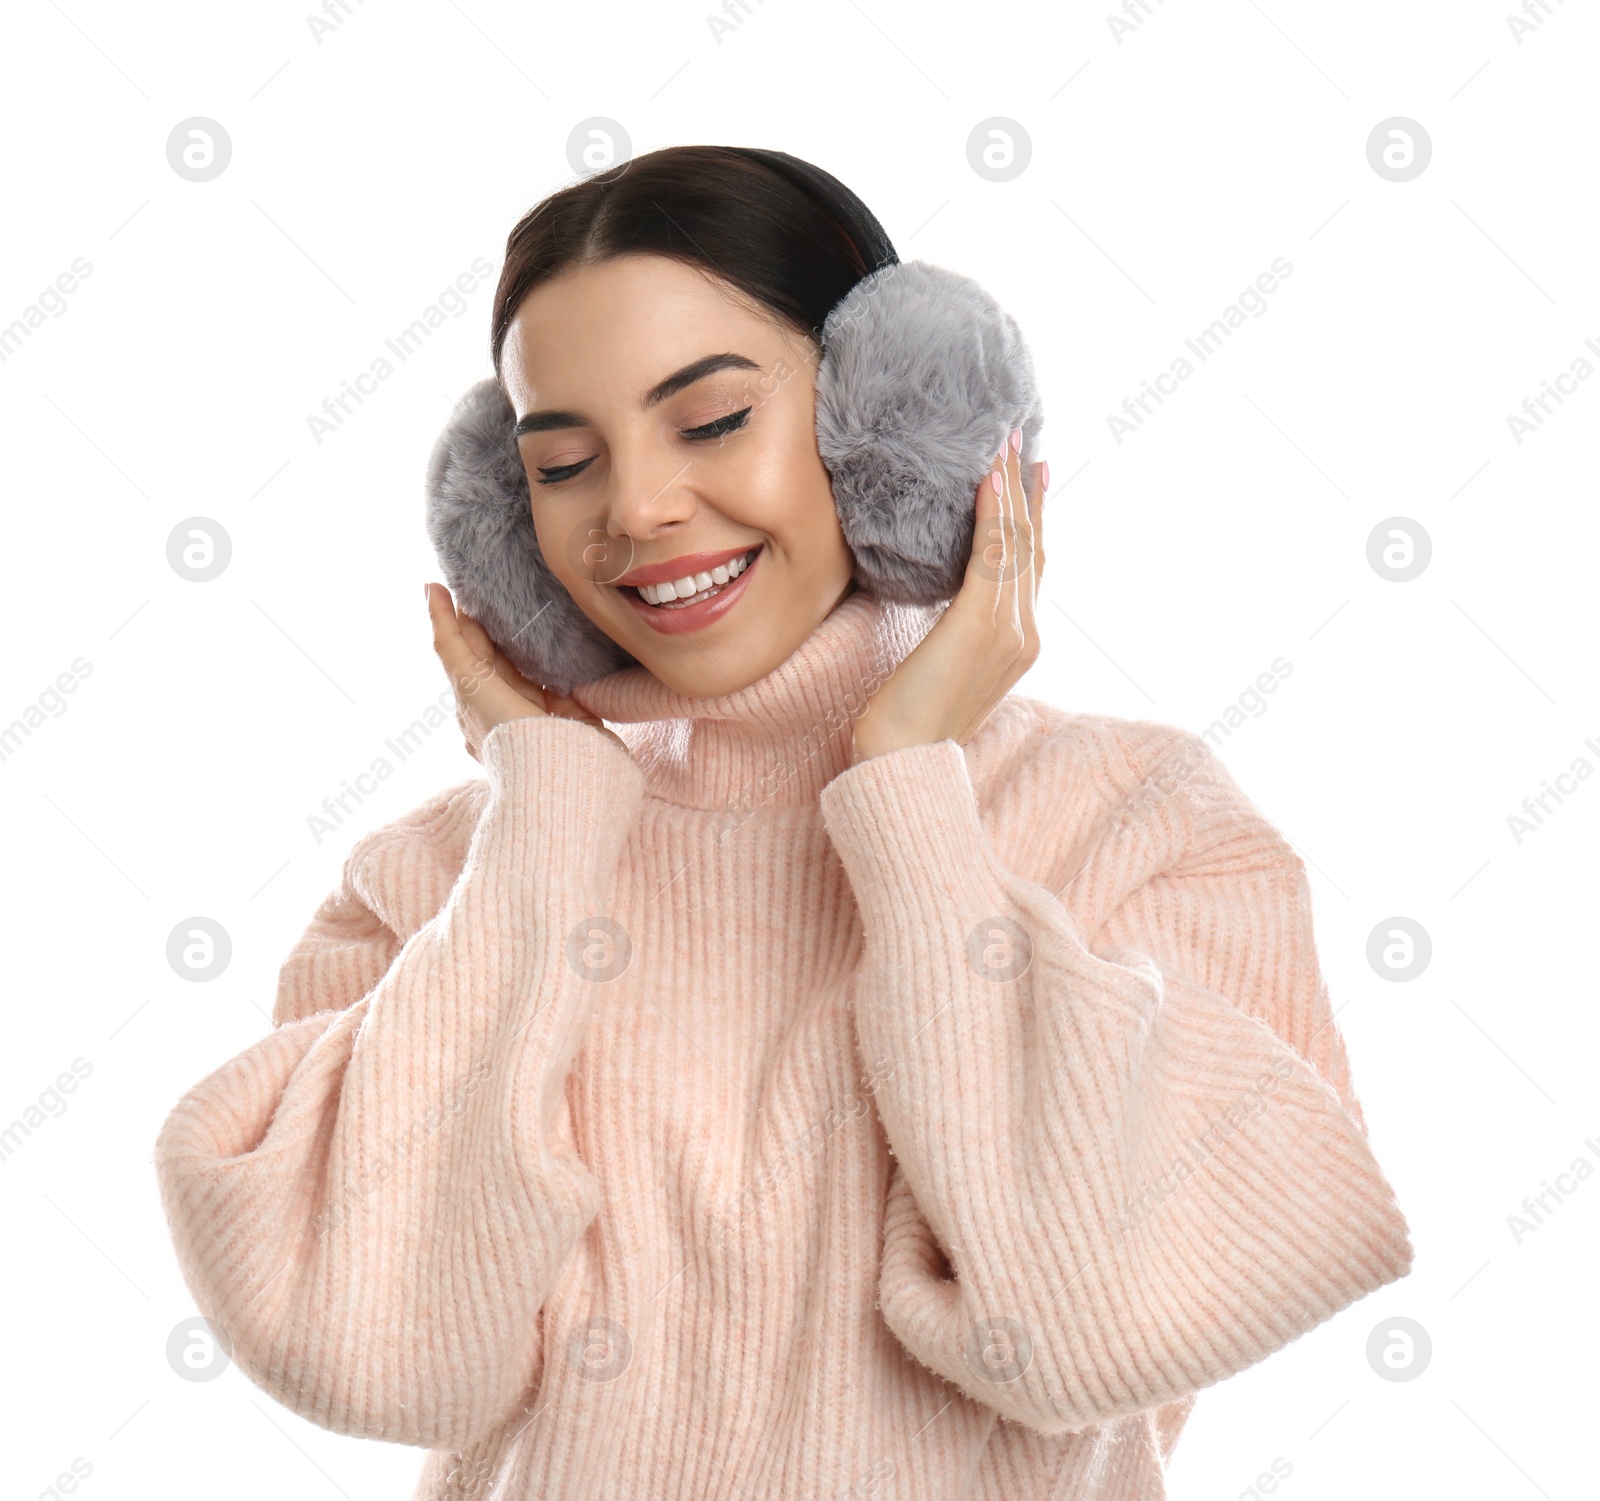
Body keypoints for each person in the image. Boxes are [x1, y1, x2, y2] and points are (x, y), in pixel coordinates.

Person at [153, 144, 1412, 1500]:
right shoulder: (439, 879)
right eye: (565, 461)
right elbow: (380, 1356)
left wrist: (908, 790)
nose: (634, 509)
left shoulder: (1141, 822)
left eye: (708, 422)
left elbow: (1085, 1326)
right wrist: (547, 816)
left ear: (890, 433)